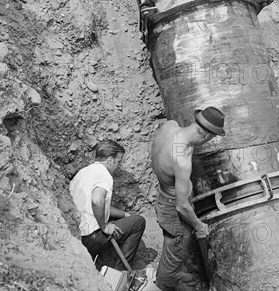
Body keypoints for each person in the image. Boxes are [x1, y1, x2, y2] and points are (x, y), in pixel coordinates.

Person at [151, 107, 226, 291]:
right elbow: (182, 206)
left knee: (172, 249)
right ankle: (165, 283)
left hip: (162, 198)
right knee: (175, 252)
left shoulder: (170, 127)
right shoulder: (181, 160)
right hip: (173, 211)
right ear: (207, 136)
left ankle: (174, 272)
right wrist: (199, 226)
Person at [70, 140, 146, 270]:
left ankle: (104, 259)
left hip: (77, 235)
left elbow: (99, 205)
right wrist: (104, 226)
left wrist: (124, 215)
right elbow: (97, 201)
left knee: (126, 220)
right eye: (118, 161)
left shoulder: (83, 172)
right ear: (110, 160)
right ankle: (122, 271)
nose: (118, 166)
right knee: (139, 222)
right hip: (90, 238)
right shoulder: (104, 175)